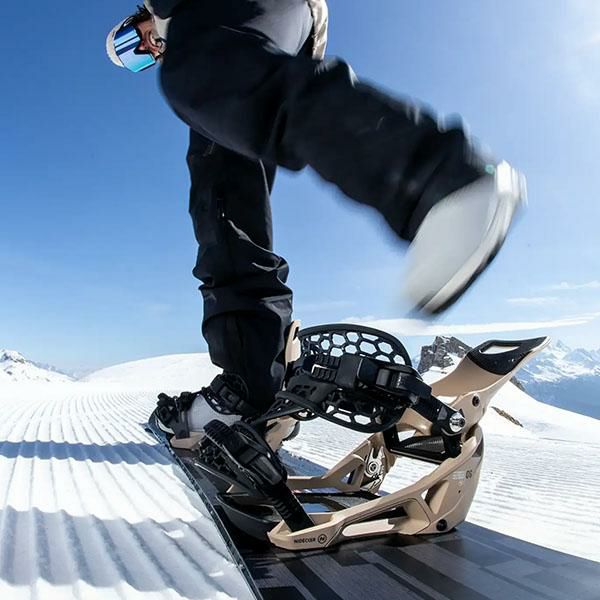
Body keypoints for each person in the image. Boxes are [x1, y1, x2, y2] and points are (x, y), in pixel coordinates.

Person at [106, 0, 526, 443]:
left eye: (131, 39)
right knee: (222, 201)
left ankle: (438, 182)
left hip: (239, 17)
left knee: (198, 74)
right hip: (264, 36)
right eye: (136, 59)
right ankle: (251, 386)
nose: (146, 49)